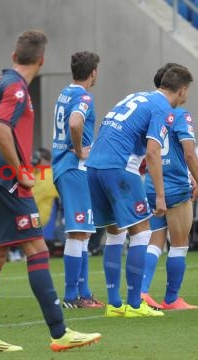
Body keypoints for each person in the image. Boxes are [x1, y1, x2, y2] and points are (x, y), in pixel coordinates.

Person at [0, 30, 101, 353]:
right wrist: (19, 172)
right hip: (9, 181)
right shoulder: (16, 88)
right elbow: (1, 132)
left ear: (15, 55)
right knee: (37, 249)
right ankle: (59, 333)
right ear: (41, 60)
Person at [86, 64, 193, 318]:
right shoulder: (163, 108)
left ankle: (114, 305)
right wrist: (160, 196)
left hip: (93, 166)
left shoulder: (134, 97)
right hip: (121, 167)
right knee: (142, 232)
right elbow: (153, 152)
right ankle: (135, 304)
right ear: (183, 90)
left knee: (114, 233)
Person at [141, 63, 198, 310]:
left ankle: (141, 292)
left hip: (152, 185)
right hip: (175, 185)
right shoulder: (180, 114)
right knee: (180, 243)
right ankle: (172, 298)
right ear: (181, 89)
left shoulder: (152, 110)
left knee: (155, 241)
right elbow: (189, 153)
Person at [51, 51, 104, 309]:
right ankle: (72, 296)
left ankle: (83, 293)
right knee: (77, 231)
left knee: (83, 233)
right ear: (92, 72)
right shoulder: (84, 96)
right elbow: (74, 123)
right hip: (73, 167)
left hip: (66, 168)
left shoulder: (65, 93)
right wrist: (81, 149)